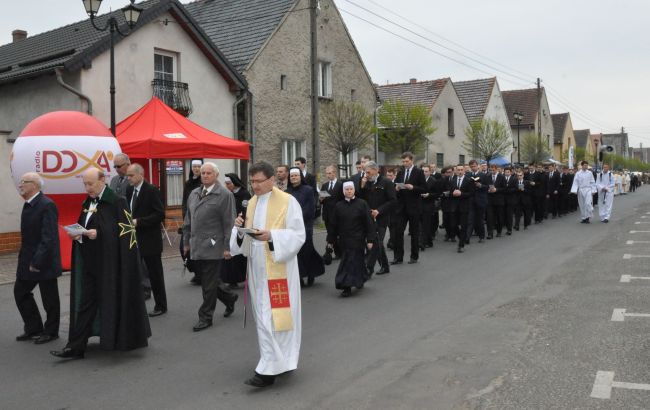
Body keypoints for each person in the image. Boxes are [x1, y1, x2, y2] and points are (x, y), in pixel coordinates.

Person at [51, 168, 150, 359]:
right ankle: (76, 346)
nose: (87, 188)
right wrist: (79, 234)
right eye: (85, 184)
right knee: (86, 304)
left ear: (103, 180)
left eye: (91, 184)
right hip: (90, 264)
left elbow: (125, 233)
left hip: (111, 266)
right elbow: (85, 226)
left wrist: (99, 234)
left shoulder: (117, 201)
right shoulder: (88, 202)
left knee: (112, 301)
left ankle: (117, 339)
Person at [230, 161, 305, 388]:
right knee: (264, 318)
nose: (255, 186)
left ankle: (269, 369)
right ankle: (279, 361)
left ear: (272, 180)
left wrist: (271, 236)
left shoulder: (288, 202)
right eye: (252, 181)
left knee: (275, 318)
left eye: (259, 181)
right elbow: (241, 244)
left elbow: (298, 235)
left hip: (279, 269)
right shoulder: (251, 202)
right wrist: (240, 230)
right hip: (257, 270)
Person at [183, 163, 239, 331]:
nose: (205, 175)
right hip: (196, 245)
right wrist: (186, 242)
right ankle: (229, 297)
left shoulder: (224, 195)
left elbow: (229, 223)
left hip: (214, 245)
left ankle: (206, 317)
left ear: (216, 175)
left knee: (208, 284)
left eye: (208, 173)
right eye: (203, 173)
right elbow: (188, 220)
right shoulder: (194, 193)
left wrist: (227, 247)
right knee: (209, 280)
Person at [14, 173, 61, 345]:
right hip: (28, 259)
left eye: (24, 182)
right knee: (20, 291)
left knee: (50, 298)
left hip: (43, 260)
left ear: (34, 185)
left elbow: (48, 237)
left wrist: (37, 261)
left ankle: (51, 331)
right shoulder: (29, 204)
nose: (21, 185)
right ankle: (34, 327)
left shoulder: (46, 205)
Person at [126, 164, 167, 317]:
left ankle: (161, 305)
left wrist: (139, 222)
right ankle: (135, 304)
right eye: (127, 175)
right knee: (134, 273)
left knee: (155, 274)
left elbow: (159, 214)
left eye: (131, 175)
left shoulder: (151, 190)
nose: (128, 178)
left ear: (140, 175)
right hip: (133, 239)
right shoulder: (129, 190)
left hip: (150, 241)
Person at [327, 181, 375, 297]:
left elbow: (369, 223)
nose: (349, 191)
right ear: (343, 191)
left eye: (351, 189)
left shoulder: (362, 204)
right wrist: (330, 240)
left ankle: (346, 285)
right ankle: (360, 278)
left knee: (349, 262)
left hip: (358, 239)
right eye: (346, 189)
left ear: (354, 190)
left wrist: (370, 240)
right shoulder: (339, 206)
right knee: (355, 261)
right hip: (343, 240)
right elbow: (333, 225)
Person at [286, 167, 324, 286]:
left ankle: (311, 273)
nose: (294, 178)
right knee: (296, 252)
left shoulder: (308, 190)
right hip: (292, 227)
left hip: (305, 225)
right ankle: (300, 276)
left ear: (300, 177)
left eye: (296, 176)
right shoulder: (287, 192)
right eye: (292, 176)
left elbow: (310, 209)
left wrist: (296, 218)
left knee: (307, 250)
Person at [359, 161, 396, 276]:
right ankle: (385, 266)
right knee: (378, 243)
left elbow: (393, 201)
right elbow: (361, 199)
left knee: (375, 243)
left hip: (382, 218)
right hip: (369, 218)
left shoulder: (386, 182)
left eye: (368, 172)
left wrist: (379, 210)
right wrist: (362, 186)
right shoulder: (367, 182)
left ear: (376, 170)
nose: (366, 175)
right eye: (365, 172)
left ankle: (369, 269)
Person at [392, 152, 426, 264]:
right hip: (401, 207)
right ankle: (398, 257)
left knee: (414, 233)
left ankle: (414, 256)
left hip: (414, 207)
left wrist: (413, 187)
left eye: (406, 161)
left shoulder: (419, 172)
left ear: (412, 160)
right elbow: (395, 185)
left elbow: (424, 189)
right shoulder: (400, 172)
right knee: (398, 232)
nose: (405, 163)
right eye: (403, 162)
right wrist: (396, 188)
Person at [221, 173, 251, 288]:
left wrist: (239, 221)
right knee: (230, 253)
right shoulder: (228, 194)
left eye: (228, 183)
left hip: (241, 227)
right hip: (229, 227)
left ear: (234, 183)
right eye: (226, 184)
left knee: (240, 254)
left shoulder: (244, 194)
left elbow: (246, 210)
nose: (227, 185)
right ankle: (230, 279)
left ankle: (242, 277)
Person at [182, 159, 203, 285]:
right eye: (194, 166)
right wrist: (184, 216)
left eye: (198, 166)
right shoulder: (188, 182)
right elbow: (185, 201)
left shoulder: (203, 182)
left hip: (200, 219)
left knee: (198, 247)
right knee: (184, 248)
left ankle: (200, 273)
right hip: (188, 219)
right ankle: (195, 271)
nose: (196, 169)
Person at [448, 164, 475, 252]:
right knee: (453, 225)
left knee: (463, 226)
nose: (459, 172)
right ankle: (462, 237)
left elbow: (471, 193)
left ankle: (461, 245)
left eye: (461, 170)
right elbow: (451, 192)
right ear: (455, 171)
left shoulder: (469, 180)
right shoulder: (453, 180)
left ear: (464, 171)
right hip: (454, 206)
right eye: (458, 170)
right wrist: (453, 193)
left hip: (464, 206)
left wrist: (461, 194)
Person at [320, 165, 343, 258]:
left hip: (337, 214)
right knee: (330, 233)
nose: (328, 175)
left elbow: (342, 200)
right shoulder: (325, 185)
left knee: (336, 233)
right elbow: (321, 200)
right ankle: (337, 253)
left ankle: (330, 252)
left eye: (329, 173)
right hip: (327, 214)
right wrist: (321, 199)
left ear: (334, 173)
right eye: (326, 173)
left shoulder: (340, 185)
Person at [466, 160, 489, 243]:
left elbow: (487, 187)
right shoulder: (468, 175)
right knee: (470, 219)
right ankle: (467, 238)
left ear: (478, 166)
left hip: (480, 199)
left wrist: (481, 185)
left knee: (480, 220)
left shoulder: (483, 175)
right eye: (471, 166)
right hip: (471, 200)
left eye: (474, 166)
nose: (473, 168)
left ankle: (481, 236)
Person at [420, 165, 438, 248]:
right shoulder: (419, 180)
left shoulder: (433, 181)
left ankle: (422, 242)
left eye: (426, 171)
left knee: (426, 224)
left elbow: (437, 194)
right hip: (419, 205)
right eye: (423, 171)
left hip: (428, 205)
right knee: (420, 225)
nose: (424, 173)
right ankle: (429, 241)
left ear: (430, 172)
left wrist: (429, 195)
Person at [486, 165, 506, 239]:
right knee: (489, 217)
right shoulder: (487, 176)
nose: (492, 172)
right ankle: (490, 233)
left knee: (499, 217)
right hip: (490, 200)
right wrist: (487, 190)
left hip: (499, 200)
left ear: (497, 169)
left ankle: (499, 231)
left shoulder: (501, 177)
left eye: (493, 170)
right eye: (491, 170)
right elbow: (485, 186)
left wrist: (496, 190)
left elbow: (504, 188)